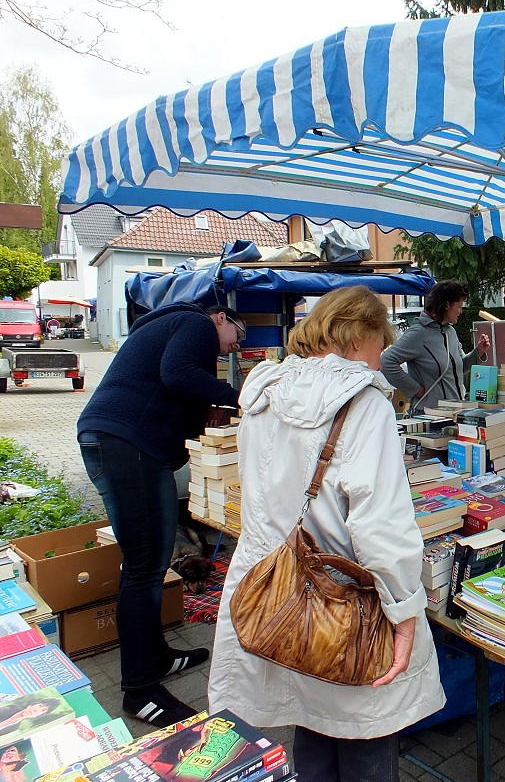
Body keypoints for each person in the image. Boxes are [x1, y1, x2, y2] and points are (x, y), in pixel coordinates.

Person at [208, 285, 445, 782]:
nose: (381, 361)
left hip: (273, 594)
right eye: (381, 346)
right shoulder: (364, 402)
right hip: (343, 602)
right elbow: (380, 525)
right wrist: (404, 614)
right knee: (363, 733)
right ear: (359, 334)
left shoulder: (263, 392)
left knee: (308, 720)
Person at [77, 303, 243, 726]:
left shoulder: (172, 328)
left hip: (122, 442)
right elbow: (179, 376)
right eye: (237, 335)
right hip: (127, 445)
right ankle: (139, 690)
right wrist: (240, 396)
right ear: (220, 317)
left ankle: (157, 657)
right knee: (144, 569)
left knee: (146, 565)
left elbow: (174, 382)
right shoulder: (195, 323)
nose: (235, 346)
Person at [380, 280, 491, 414]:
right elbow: (386, 361)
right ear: (447, 305)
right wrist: (415, 389)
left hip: (453, 413)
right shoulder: (418, 334)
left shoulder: (450, 332)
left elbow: (459, 368)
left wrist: (478, 352)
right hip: (428, 415)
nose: (460, 311)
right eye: (459, 306)